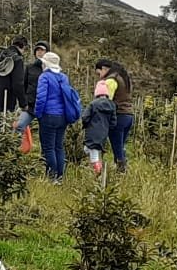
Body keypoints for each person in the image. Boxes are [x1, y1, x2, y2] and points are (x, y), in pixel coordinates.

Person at [35, 52, 74, 183]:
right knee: (58, 146)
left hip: (48, 115)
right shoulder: (63, 77)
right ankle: (60, 176)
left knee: (48, 147)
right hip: (62, 116)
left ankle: (51, 177)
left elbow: (41, 98)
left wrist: (38, 114)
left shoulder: (44, 77)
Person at [95, 59, 134, 172]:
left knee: (117, 147)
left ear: (103, 69)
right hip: (128, 115)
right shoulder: (122, 77)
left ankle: (121, 169)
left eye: (99, 73)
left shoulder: (111, 80)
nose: (100, 76)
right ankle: (122, 168)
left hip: (118, 116)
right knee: (121, 146)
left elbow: (107, 101)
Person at [0, 36, 27, 116]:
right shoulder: (17, 59)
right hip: (8, 98)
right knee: (7, 120)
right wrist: (23, 104)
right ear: (23, 46)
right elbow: (18, 84)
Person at [83, 79, 117, 175]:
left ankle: (97, 173)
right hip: (103, 133)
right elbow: (113, 123)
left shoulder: (93, 104)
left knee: (92, 152)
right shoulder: (112, 105)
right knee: (94, 150)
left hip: (92, 132)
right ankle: (98, 169)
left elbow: (85, 117)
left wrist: (85, 125)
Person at [14, 40, 48, 133]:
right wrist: (24, 101)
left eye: (42, 50)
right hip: (31, 105)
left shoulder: (50, 69)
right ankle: (17, 142)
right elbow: (23, 85)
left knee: (45, 132)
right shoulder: (30, 67)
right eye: (37, 50)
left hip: (46, 107)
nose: (39, 52)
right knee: (19, 126)